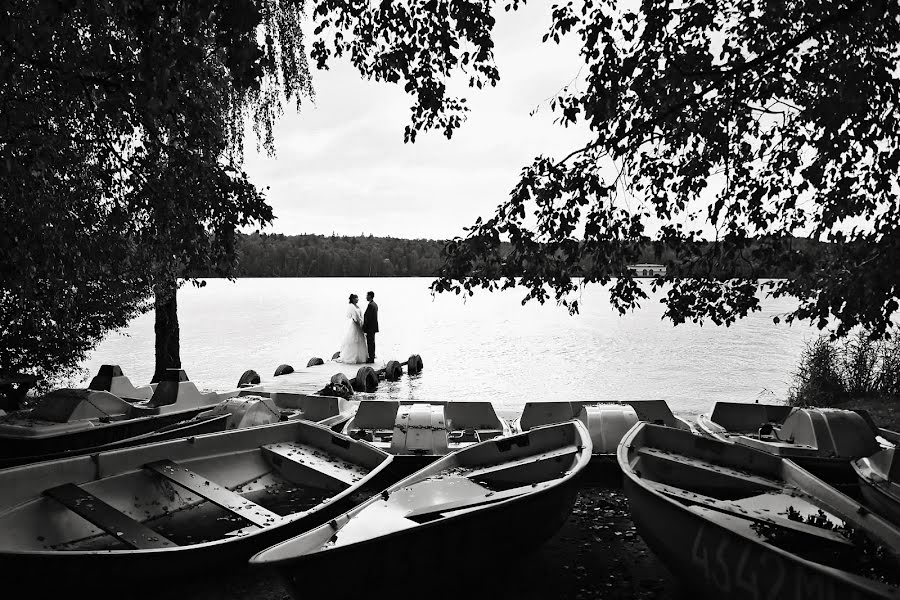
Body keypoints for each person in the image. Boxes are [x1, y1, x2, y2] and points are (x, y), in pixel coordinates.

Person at [338, 294, 368, 364]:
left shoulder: (358, 306)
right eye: (356, 298)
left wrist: (362, 323)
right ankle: (352, 357)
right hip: (355, 325)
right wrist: (358, 323)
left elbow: (360, 315)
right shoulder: (351, 306)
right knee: (354, 340)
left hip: (360, 324)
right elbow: (352, 317)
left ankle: (360, 357)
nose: (357, 299)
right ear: (353, 299)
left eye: (357, 298)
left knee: (360, 340)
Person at [362, 290, 379, 364]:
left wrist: (364, 328)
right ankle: (372, 356)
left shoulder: (370, 305)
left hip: (370, 328)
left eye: (367, 295)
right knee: (372, 342)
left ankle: (371, 358)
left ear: (370, 296)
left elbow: (367, 318)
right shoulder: (375, 304)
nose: (366, 297)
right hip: (374, 327)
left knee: (370, 343)